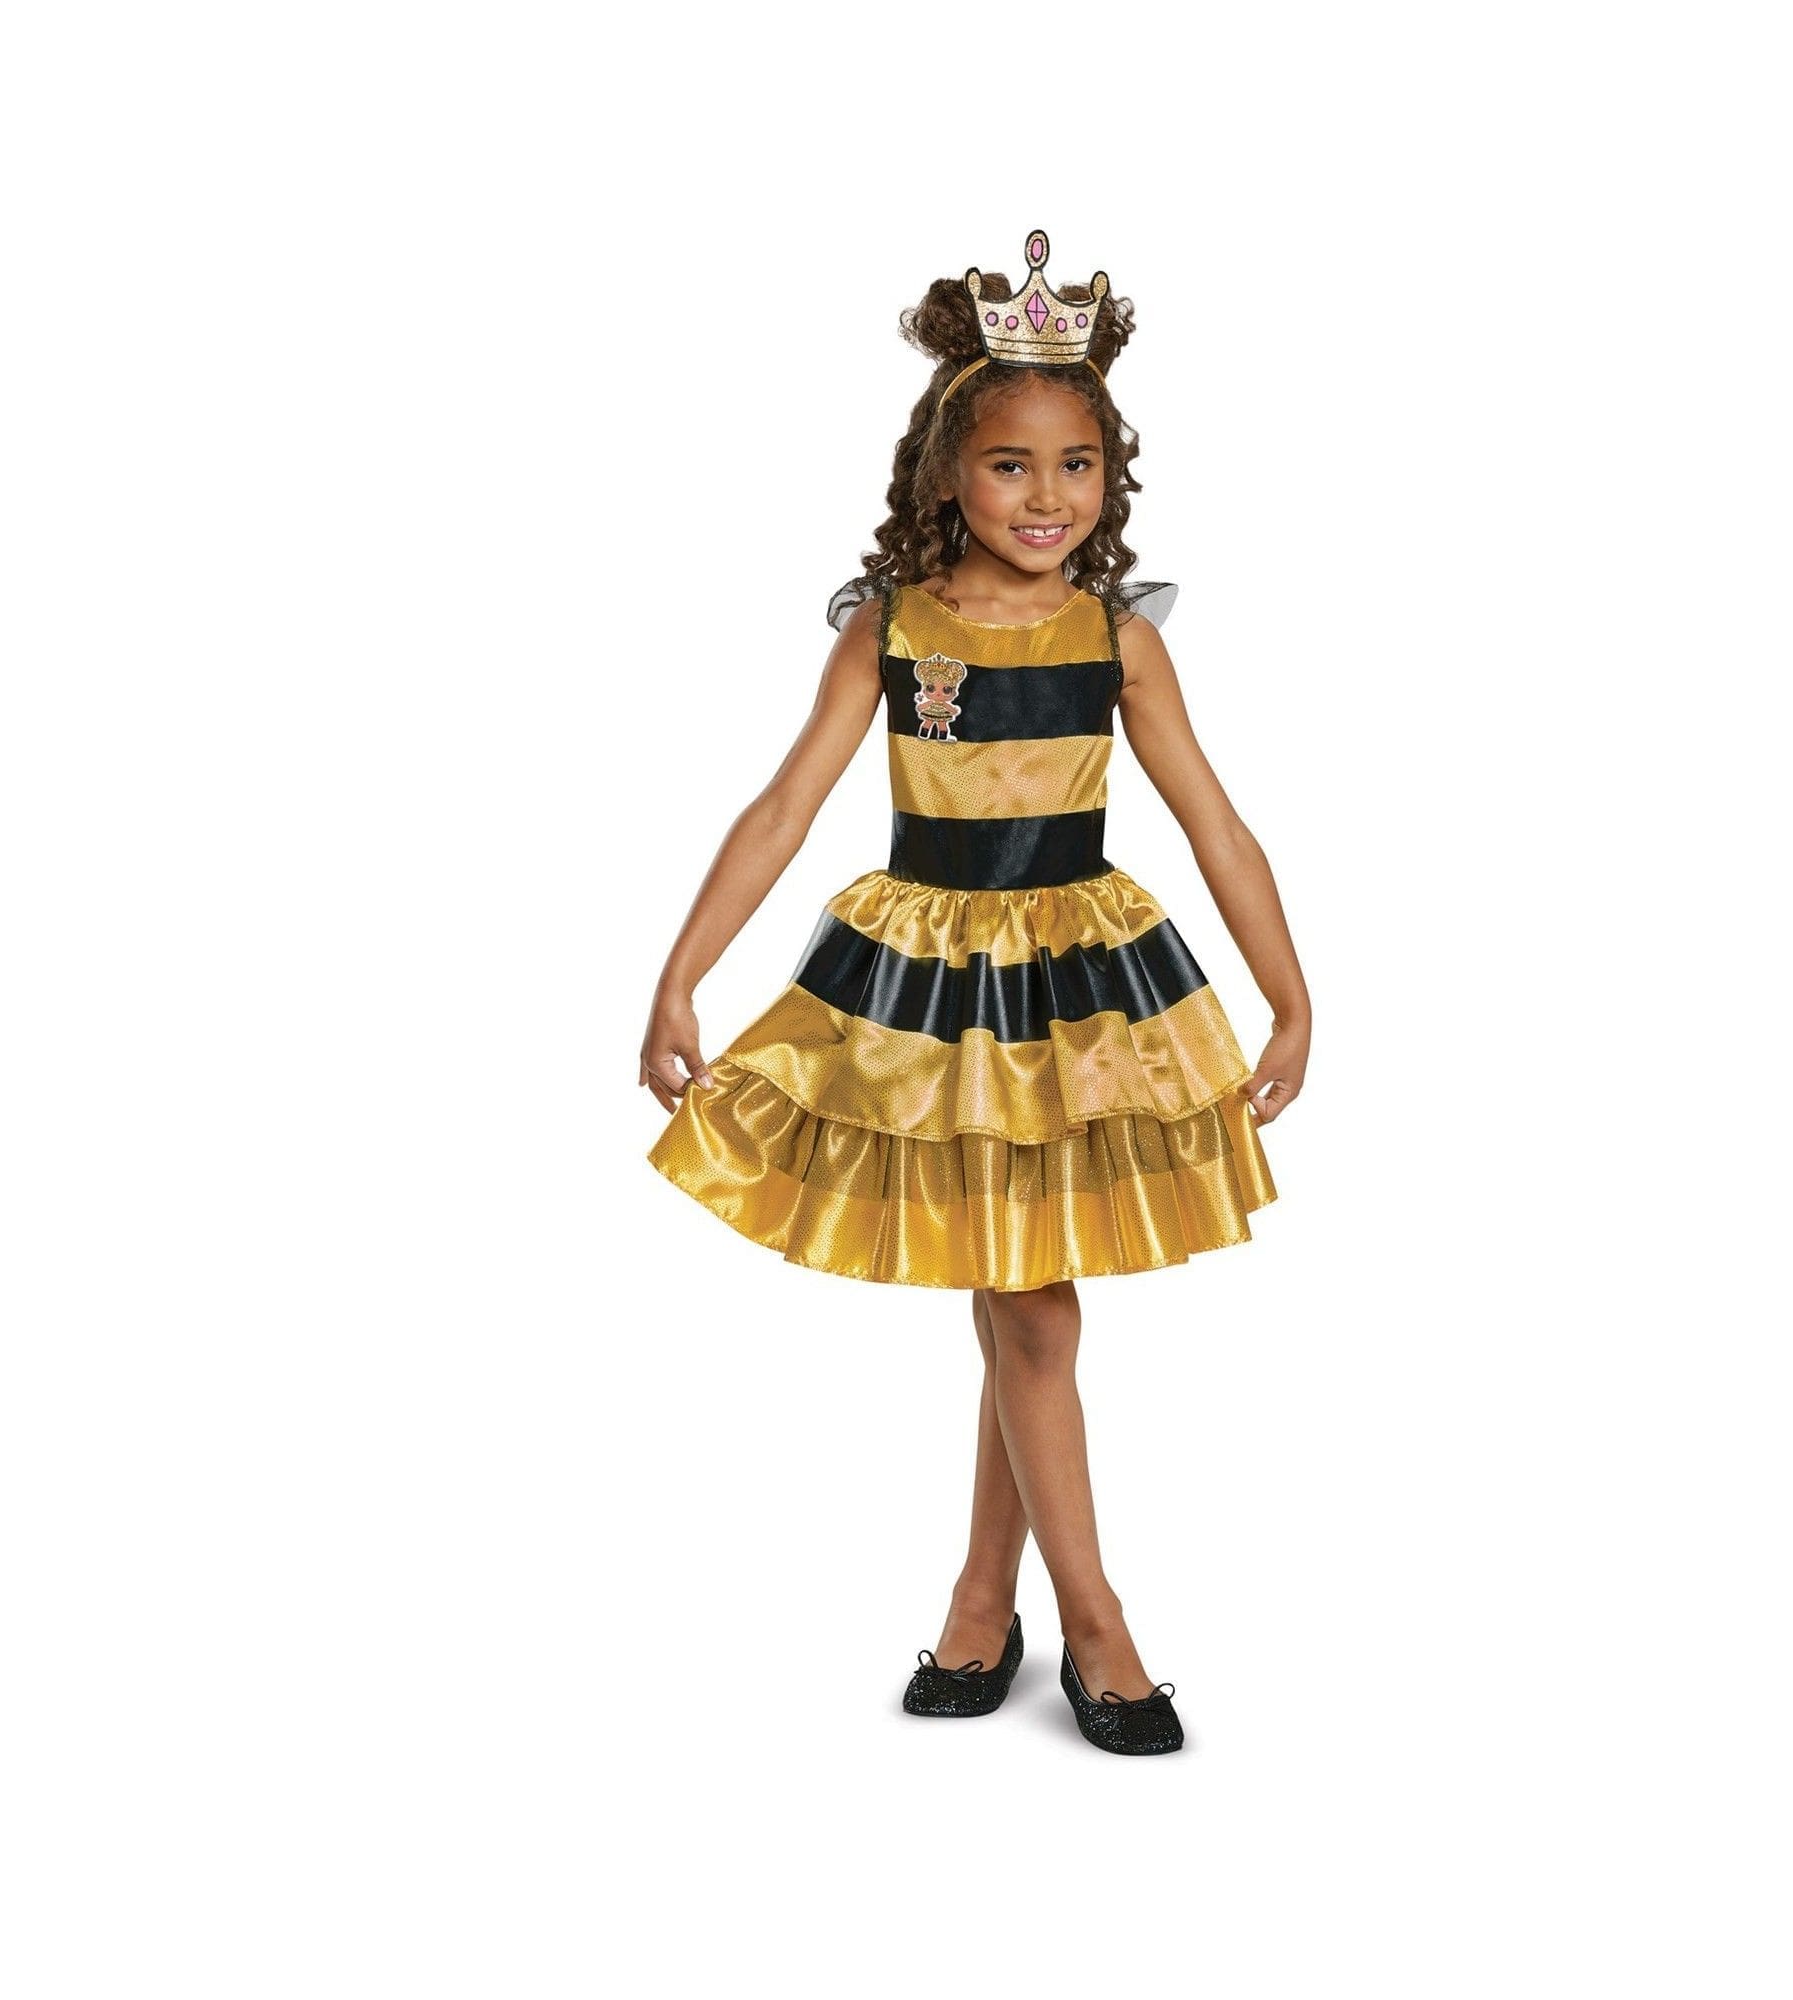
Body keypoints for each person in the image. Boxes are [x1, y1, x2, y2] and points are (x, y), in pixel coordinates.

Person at [639, 229, 1311, 1756]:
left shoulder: (1117, 637)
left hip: (1077, 997)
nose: (1048, 496)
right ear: (951, 473)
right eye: (1013, 466)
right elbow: (785, 806)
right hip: (930, 993)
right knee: (1025, 1300)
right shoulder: (892, 630)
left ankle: (990, 1606)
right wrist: (681, 976)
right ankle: (1088, 1625)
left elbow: (1216, 822)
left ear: (1112, 474)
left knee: (1025, 1301)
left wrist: (1291, 996)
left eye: (1078, 464)